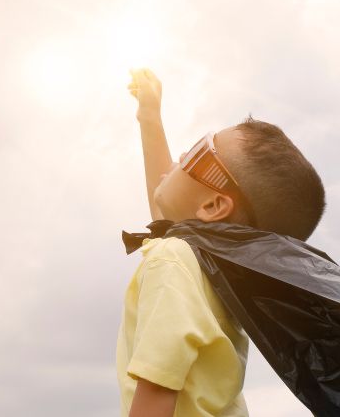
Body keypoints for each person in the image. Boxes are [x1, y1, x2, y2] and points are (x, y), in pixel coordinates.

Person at [116, 68, 326, 417]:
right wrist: (149, 117)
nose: (183, 154)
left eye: (199, 153)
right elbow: (168, 211)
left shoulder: (173, 259)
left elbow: (157, 390)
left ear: (214, 205)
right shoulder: (215, 265)